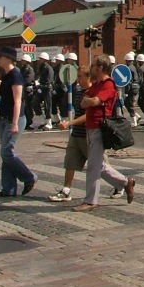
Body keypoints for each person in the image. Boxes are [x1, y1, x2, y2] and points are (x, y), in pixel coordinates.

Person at [72, 54, 135, 212]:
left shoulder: (108, 84)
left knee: (94, 166)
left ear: (100, 68)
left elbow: (94, 101)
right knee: (98, 165)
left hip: (100, 127)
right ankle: (125, 183)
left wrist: (90, 101)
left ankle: (90, 200)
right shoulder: (97, 83)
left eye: (93, 66)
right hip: (91, 126)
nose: (91, 68)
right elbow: (85, 100)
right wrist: (89, 101)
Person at [0, 46, 38, 197]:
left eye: (1, 56)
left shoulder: (16, 76)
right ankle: (9, 189)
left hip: (16, 119)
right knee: (5, 154)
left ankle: (29, 177)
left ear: (8, 58)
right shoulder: (6, 75)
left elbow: (17, 101)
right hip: (4, 118)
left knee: (7, 153)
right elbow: (3, 100)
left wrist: (14, 123)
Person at [48, 65, 92, 202]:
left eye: (80, 76)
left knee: (102, 167)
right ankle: (66, 190)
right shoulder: (79, 92)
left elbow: (87, 116)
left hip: (87, 135)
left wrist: (69, 123)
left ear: (88, 77)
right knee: (70, 162)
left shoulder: (91, 93)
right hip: (76, 135)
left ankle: (121, 183)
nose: (77, 79)